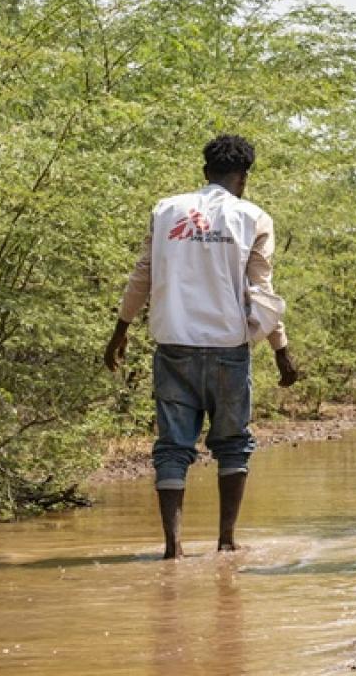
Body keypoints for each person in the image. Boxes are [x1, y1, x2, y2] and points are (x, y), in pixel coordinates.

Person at [104, 134, 300, 559]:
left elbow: (143, 273)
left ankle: (173, 548)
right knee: (232, 442)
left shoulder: (166, 210)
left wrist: (120, 329)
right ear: (243, 178)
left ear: (204, 171)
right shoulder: (252, 217)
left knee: (173, 446)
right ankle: (226, 541)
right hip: (228, 347)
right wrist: (280, 348)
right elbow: (261, 291)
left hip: (174, 344)